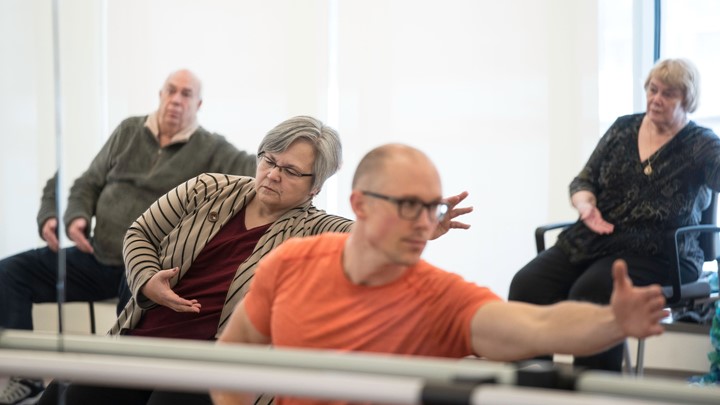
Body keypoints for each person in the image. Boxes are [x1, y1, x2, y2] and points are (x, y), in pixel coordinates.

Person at [37, 118, 472, 405]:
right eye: (268, 160)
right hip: (144, 341)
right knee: (77, 396)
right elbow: (141, 233)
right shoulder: (208, 187)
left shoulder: (315, 227)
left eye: (290, 171)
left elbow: (368, 237)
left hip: (209, 364)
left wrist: (417, 225)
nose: (272, 174)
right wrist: (147, 279)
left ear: (315, 186)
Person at [210, 143, 669, 405]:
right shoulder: (292, 265)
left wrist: (612, 322)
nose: (424, 221)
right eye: (409, 205)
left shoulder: (439, 298)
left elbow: (538, 325)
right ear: (360, 205)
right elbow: (231, 362)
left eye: (430, 207)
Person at [0, 69, 256, 405]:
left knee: (135, 326)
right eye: (171, 91)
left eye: (186, 94)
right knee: (10, 272)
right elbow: (88, 181)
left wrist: (288, 169)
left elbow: (257, 170)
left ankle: (118, 387)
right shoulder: (128, 130)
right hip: (96, 254)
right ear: (160, 94)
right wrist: (76, 215)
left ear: (199, 104)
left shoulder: (212, 148)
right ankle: (26, 375)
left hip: (144, 265)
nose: (176, 100)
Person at [508, 58, 720, 372]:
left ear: (687, 100)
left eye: (668, 94)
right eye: (652, 89)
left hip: (662, 251)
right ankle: (532, 385)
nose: (656, 99)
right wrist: (585, 205)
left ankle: (595, 389)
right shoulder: (623, 128)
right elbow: (584, 180)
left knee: (593, 291)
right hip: (597, 238)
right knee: (527, 284)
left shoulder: (702, 144)